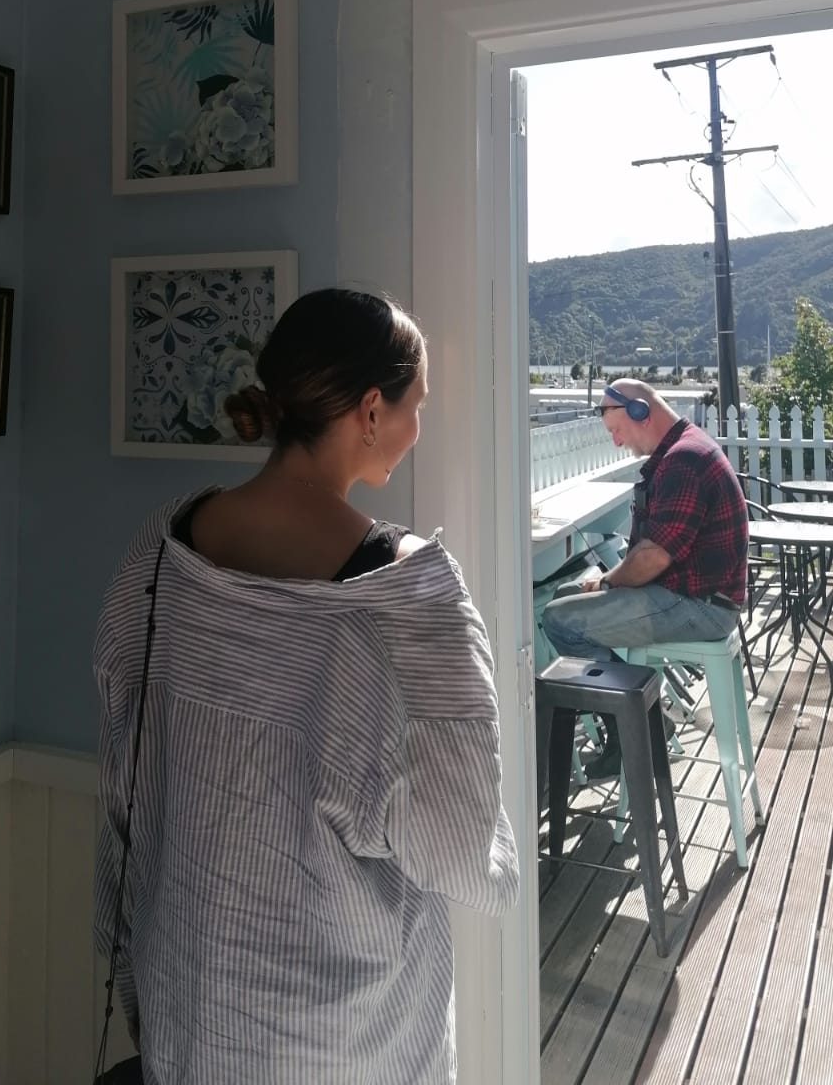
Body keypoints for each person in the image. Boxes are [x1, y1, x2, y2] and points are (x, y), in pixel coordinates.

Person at [93, 289, 519, 1085]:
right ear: (370, 410)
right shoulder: (412, 602)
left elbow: (124, 770)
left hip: (189, 999)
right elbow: (462, 855)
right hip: (346, 1041)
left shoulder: (160, 550)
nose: (417, 430)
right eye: (417, 406)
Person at [540, 378, 748, 778]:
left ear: (640, 412)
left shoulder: (684, 460)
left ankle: (634, 727)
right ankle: (643, 717)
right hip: (695, 595)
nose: (617, 442)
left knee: (558, 619)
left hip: (702, 607)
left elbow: (653, 556)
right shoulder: (684, 449)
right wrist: (606, 582)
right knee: (566, 595)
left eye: (617, 431)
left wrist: (606, 583)